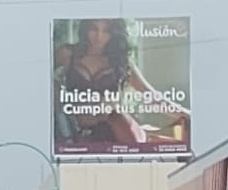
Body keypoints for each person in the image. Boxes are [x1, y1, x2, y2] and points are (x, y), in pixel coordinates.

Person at [62, 19, 191, 148]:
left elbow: (150, 96)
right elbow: (44, 77)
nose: (99, 36)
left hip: (118, 132)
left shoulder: (121, 62)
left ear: (114, 34)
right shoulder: (68, 54)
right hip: (75, 133)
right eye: (94, 29)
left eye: (106, 31)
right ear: (85, 29)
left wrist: (184, 113)